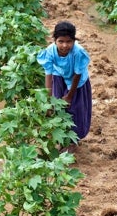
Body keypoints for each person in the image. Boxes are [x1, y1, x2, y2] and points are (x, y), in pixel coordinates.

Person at [37, 21, 92, 152]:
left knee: (75, 110)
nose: (65, 45)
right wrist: (49, 99)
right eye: (61, 41)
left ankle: (73, 141)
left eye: (69, 42)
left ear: (74, 41)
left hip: (77, 84)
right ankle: (63, 137)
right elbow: (48, 75)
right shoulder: (50, 51)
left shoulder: (78, 52)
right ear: (55, 40)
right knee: (58, 107)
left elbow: (77, 75)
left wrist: (69, 96)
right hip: (60, 77)